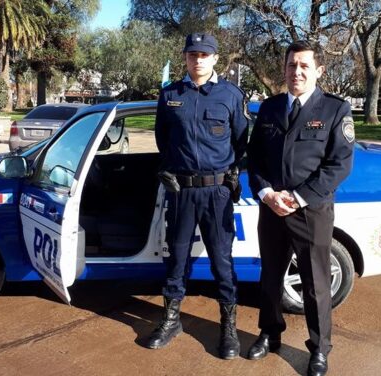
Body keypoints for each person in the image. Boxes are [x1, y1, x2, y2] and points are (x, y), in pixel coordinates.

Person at [246, 40, 355, 376]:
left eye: (305, 66)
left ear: (319, 70)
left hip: (311, 211)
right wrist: (266, 193)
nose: (297, 72)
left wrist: (298, 197)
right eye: (292, 65)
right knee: (270, 276)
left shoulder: (335, 109)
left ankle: (319, 349)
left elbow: (339, 165)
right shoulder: (269, 108)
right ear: (285, 68)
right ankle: (269, 333)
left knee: (315, 283)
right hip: (272, 210)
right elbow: (256, 159)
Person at [147, 32, 248, 360]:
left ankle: (228, 328)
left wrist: (230, 176)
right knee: (176, 259)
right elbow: (163, 138)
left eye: (204, 55)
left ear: (216, 59)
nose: (198, 60)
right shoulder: (169, 95)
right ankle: (171, 320)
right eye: (192, 54)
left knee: (222, 260)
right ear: (186, 57)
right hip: (180, 191)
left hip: (217, 193)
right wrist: (172, 168)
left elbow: (241, 142)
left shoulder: (231, 95)